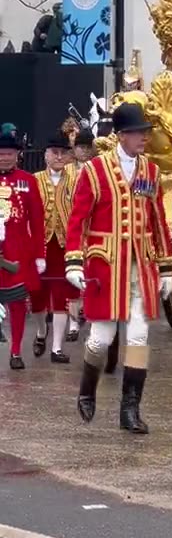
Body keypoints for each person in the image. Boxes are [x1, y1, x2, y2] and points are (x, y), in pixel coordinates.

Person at [65, 103, 172, 435]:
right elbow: (78, 220)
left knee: (139, 336)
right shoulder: (95, 170)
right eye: (139, 133)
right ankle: (87, 389)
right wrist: (73, 260)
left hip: (141, 267)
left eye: (145, 132)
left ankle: (130, 409)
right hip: (106, 267)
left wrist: (168, 268)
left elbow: (159, 222)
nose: (144, 138)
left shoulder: (151, 172)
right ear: (122, 136)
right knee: (102, 338)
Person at [30, 132, 78, 363]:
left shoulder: (76, 180)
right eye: (54, 153)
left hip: (64, 244)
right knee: (37, 296)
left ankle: (56, 348)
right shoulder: (33, 180)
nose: (59, 157)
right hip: (38, 245)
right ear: (46, 155)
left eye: (63, 153)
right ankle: (41, 332)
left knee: (61, 295)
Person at [0, 127, 45, 369]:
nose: (4, 157)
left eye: (9, 153)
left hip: (17, 253)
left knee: (17, 305)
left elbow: (37, 222)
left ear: (17, 155)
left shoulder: (28, 181)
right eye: (0, 153)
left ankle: (16, 350)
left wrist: (40, 255)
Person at [63, 127, 97, 342]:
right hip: (71, 227)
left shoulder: (98, 169)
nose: (84, 151)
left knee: (92, 277)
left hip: (93, 231)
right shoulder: (66, 171)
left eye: (87, 147)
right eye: (80, 147)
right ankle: (73, 323)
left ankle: (91, 316)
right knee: (72, 280)